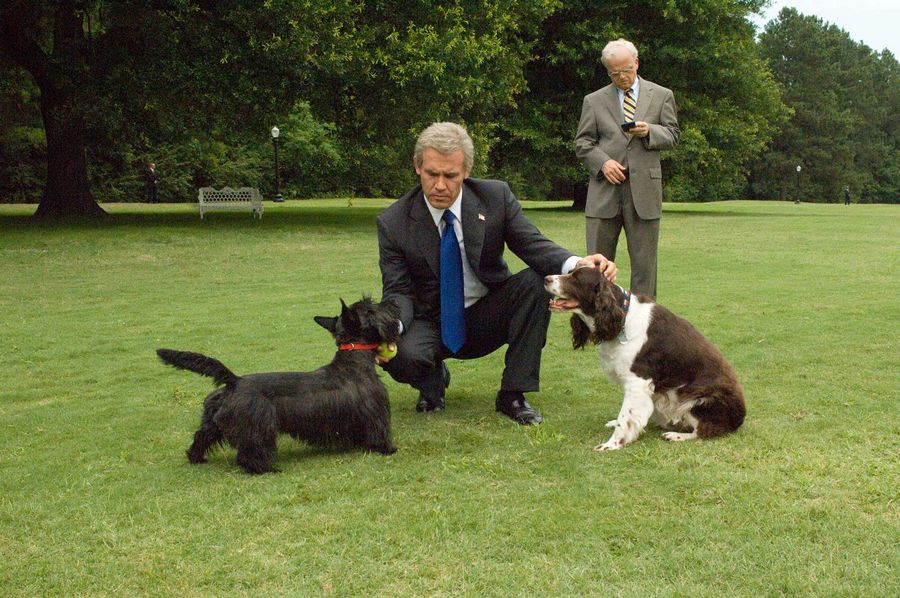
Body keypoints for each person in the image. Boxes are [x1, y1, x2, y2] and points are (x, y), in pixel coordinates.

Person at [376, 122, 617, 425]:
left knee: (534, 282)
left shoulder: (495, 197)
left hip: (487, 313)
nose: (440, 185)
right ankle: (430, 381)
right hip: (430, 321)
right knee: (401, 355)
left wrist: (578, 265)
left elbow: (532, 245)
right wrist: (388, 329)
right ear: (417, 166)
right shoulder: (393, 222)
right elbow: (397, 290)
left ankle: (512, 394)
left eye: (450, 176)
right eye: (431, 174)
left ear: (466, 171)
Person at [574, 38, 679, 299]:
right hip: (604, 194)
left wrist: (650, 131)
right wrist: (603, 163)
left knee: (645, 269)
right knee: (596, 267)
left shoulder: (662, 95)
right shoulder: (594, 100)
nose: (621, 77)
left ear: (637, 62)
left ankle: (643, 326)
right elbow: (583, 143)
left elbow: (673, 135)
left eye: (626, 70)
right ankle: (597, 322)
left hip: (644, 194)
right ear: (607, 71)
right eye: (614, 72)